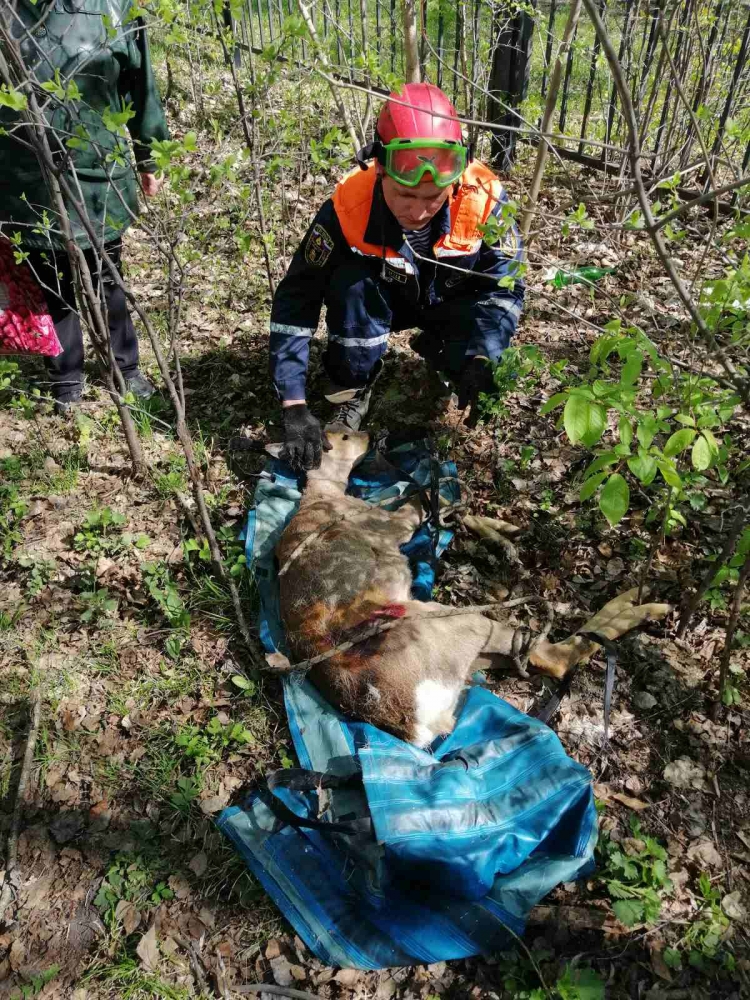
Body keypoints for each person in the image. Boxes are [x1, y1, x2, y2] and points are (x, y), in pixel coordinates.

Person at [269, 82, 524, 472]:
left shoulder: (483, 199)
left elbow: (505, 287)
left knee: (483, 359)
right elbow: (296, 298)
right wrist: (293, 403)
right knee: (349, 284)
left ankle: (444, 352)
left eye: (432, 197)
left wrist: (483, 356)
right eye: (406, 196)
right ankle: (353, 384)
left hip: (447, 298)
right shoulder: (347, 206)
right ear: (380, 170)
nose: (419, 212)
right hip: (380, 296)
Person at [0, 0, 169, 413]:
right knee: (50, 280)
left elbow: (140, 83)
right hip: (27, 178)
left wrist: (151, 153)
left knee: (107, 277)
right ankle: (66, 378)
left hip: (96, 174)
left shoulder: (114, 7)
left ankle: (126, 370)